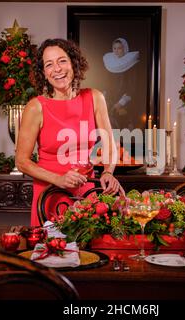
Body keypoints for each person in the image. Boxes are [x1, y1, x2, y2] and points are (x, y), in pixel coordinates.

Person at [16, 38, 124, 226]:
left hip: (86, 191)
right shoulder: (36, 107)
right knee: (51, 251)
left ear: (73, 63)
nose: (57, 69)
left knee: (88, 251)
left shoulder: (95, 97)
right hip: (49, 193)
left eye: (62, 61)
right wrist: (58, 179)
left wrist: (108, 172)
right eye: (49, 64)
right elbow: (22, 161)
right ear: (44, 73)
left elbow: (109, 144)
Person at [103, 38, 140, 130]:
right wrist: (105, 98)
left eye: (119, 48)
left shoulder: (131, 65)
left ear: (125, 49)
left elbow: (132, 87)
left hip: (126, 102)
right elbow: (107, 84)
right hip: (111, 100)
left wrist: (121, 103)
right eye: (114, 48)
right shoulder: (111, 63)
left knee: (125, 127)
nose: (116, 51)